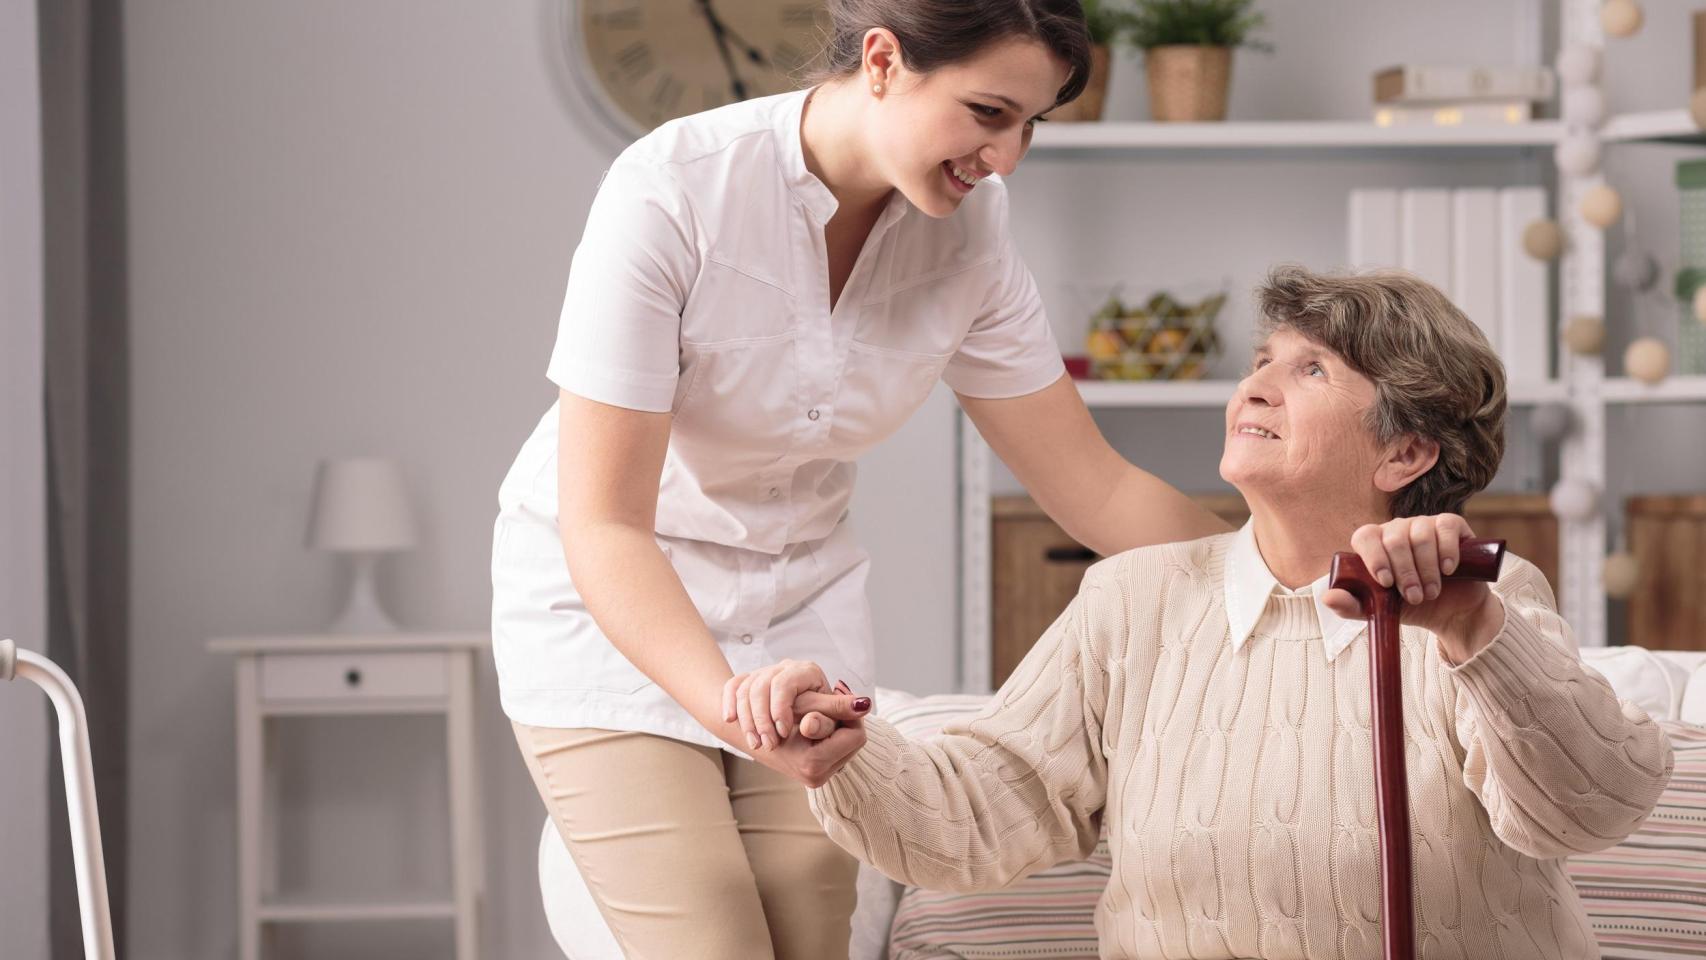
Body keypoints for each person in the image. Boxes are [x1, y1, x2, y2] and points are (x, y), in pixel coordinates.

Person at [491, 2, 1234, 957]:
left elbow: (1094, 487)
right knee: (713, 938)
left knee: (809, 925)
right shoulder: (675, 190)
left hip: (798, 612)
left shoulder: (970, 237)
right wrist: (732, 703)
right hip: (613, 609)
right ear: (882, 61)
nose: (1005, 158)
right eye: (988, 112)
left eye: (1030, 125)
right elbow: (606, 526)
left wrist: (1299, 577)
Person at [730, 266, 1676, 960]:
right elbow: (985, 810)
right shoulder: (1133, 601)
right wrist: (850, 753)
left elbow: (1591, 809)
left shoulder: (1486, 601)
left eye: (1312, 372)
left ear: (1405, 455)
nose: (1255, 386)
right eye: (1263, 361)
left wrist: (1473, 633)